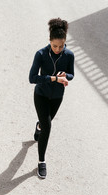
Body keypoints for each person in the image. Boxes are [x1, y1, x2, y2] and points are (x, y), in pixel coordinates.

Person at [29, 18, 75, 179]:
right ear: (49, 41)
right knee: (48, 127)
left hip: (57, 97)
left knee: (45, 124)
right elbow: (32, 78)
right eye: (54, 46)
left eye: (61, 46)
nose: (57, 49)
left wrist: (65, 75)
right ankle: (41, 161)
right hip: (41, 94)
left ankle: (39, 126)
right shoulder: (41, 54)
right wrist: (53, 78)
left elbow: (71, 74)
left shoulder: (69, 55)